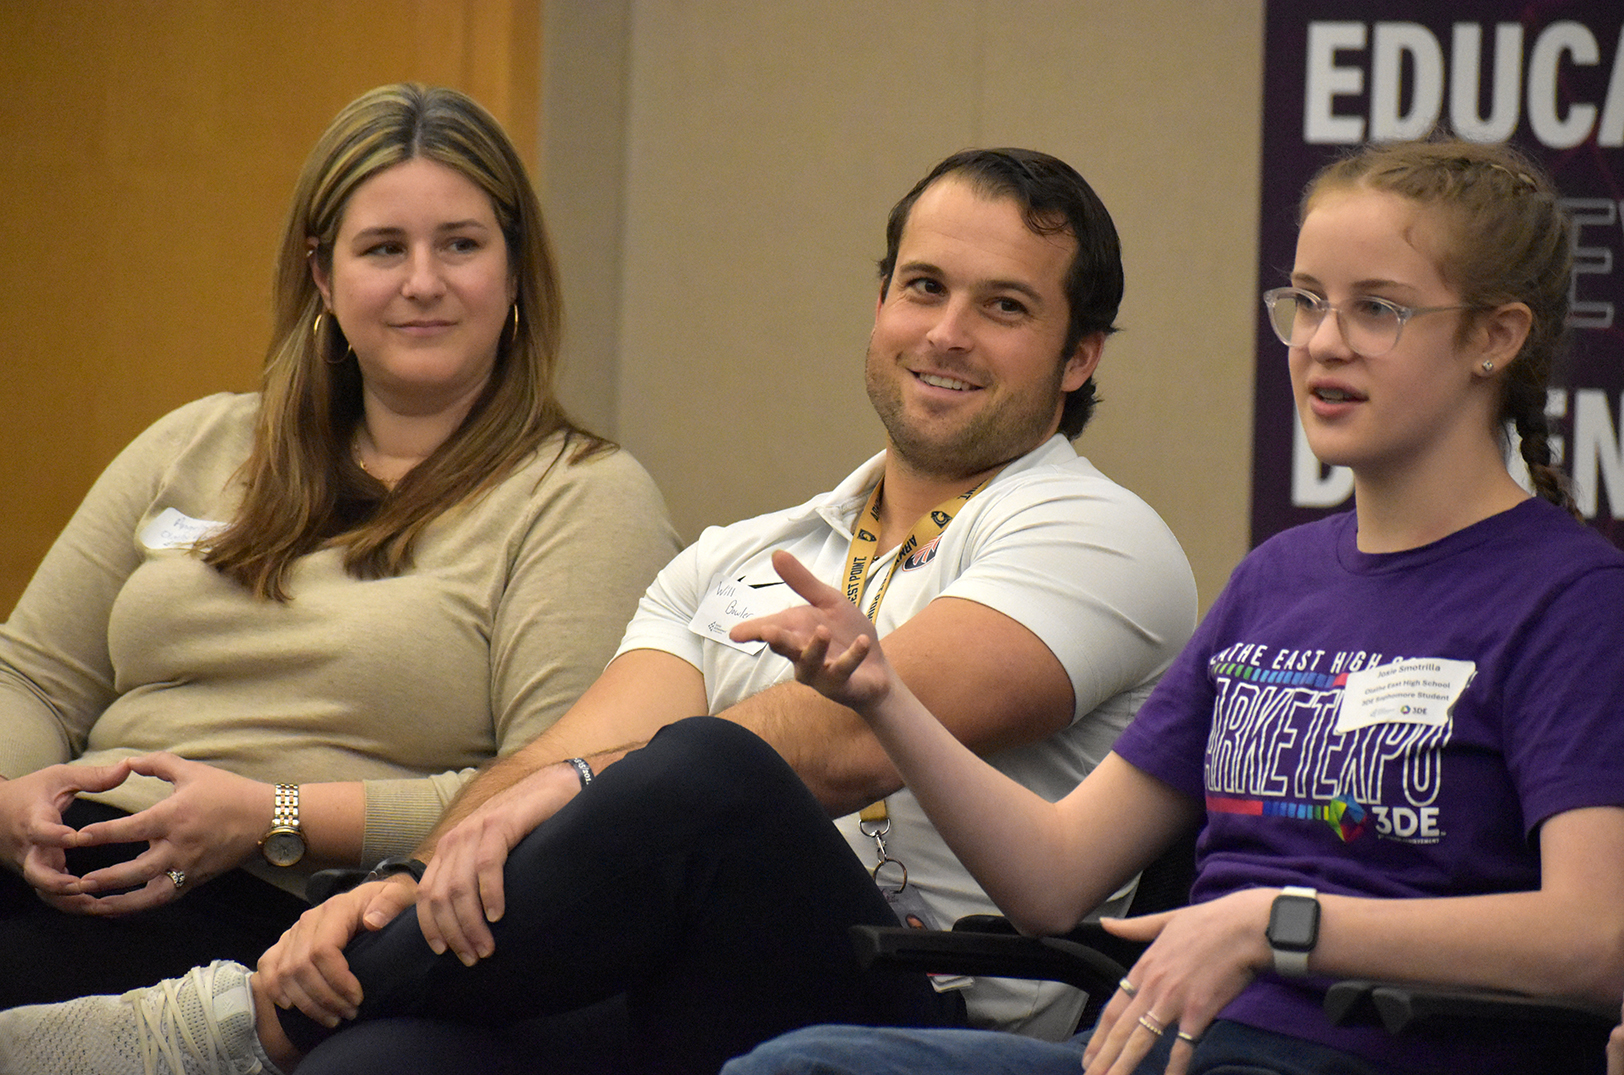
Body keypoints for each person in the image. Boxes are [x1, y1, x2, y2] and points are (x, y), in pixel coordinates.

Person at [0, 147, 1198, 1074]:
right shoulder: (746, 550)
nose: (943, 331)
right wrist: (408, 879)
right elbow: (559, 753)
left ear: (1079, 356)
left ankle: (221, 1020)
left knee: (717, 772)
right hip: (670, 974)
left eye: (1002, 307)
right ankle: (279, 1016)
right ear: (877, 301)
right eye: (921, 287)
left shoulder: (1095, 534)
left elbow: (839, 745)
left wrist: (573, 796)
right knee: (385, 1058)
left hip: (923, 1003)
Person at [719, 138, 1624, 1075]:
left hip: (1351, 1055)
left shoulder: (1569, 602)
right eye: (1307, 302)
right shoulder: (1278, 580)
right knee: (795, 1064)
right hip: (1158, 1047)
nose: (1323, 341)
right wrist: (884, 698)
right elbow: (1055, 876)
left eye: (1378, 309)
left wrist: (1277, 925)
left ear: (1494, 336)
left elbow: (1595, 937)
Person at [0, 83, 678, 1006]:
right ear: (323, 277)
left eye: (462, 245)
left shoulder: (579, 495)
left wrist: (270, 817)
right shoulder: (193, 443)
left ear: (517, 272)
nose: (423, 281)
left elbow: (556, 795)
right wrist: (11, 800)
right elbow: (31, 677)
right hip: (72, 861)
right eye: (384, 248)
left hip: (305, 920)